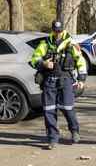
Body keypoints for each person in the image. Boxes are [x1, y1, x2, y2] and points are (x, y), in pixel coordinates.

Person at [30, 20, 87, 150]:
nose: (57, 34)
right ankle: (52, 138)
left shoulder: (72, 44)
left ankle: (74, 131)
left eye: (59, 31)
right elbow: (33, 59)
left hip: (66, 80)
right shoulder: (45, 44)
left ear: (63, 30)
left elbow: (81, 62)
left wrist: (82, 79)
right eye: (55, 31)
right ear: (52, 30)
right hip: (49, 81)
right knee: (48, 110)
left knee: (67, 108)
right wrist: (43, 64)